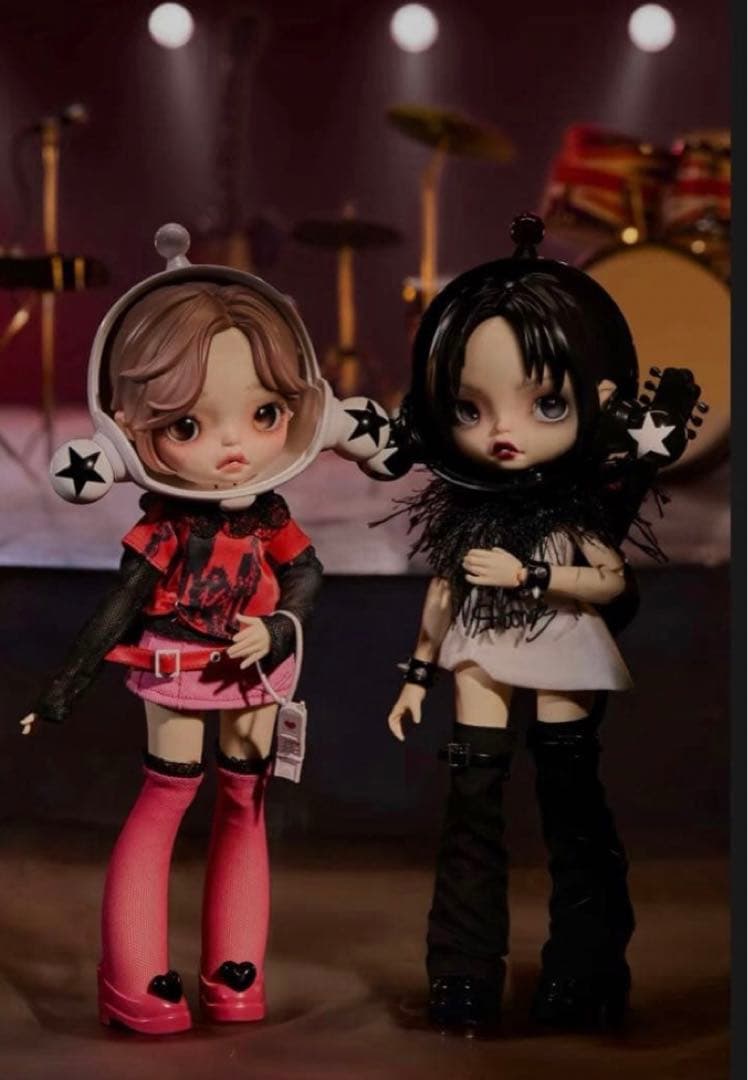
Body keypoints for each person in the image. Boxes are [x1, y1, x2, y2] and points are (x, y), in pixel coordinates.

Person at [20, 225, 392, 1035]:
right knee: (168, 794)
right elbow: (121, 603)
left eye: (264, 414)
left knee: (245, 800)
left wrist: (280, 628)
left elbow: (307, 575)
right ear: (128, 430)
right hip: (179, 666)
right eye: (186, 426)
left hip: (257, 670)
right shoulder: (164, 527)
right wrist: (63, 689)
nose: (232, 446)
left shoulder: (269, 515)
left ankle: (234, 971)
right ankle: (136, 976)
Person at [384, 214, 703, 1035]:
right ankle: (462, 971)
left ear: (596, 402)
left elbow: (610, 578)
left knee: (571, 798)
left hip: (561, 641)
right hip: (481, 647)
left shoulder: (573, 509)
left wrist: (530, 574)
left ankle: (584, 969)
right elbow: (445, 591)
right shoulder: (471, 508)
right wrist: (417, 673)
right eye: (469, 407)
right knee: (472, 798)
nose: (503, 433)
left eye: (546, 404)